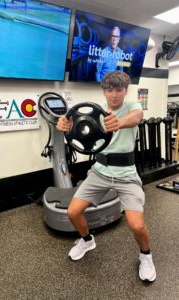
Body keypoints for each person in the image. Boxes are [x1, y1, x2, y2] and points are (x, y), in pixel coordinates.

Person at [56, 71, 156, 282]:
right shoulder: (96, 112)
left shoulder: (132, 107)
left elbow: (136, 117)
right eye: (109, 90)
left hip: (126, 174)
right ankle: (86, 240)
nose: (114, 95)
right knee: (73, 212)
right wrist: (64, 126)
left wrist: (118, 123)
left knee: (136, 225)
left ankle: (146, 255)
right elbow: (74, 127)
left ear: (125, 91)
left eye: (119, 90)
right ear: (104, 92)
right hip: (100, 171)